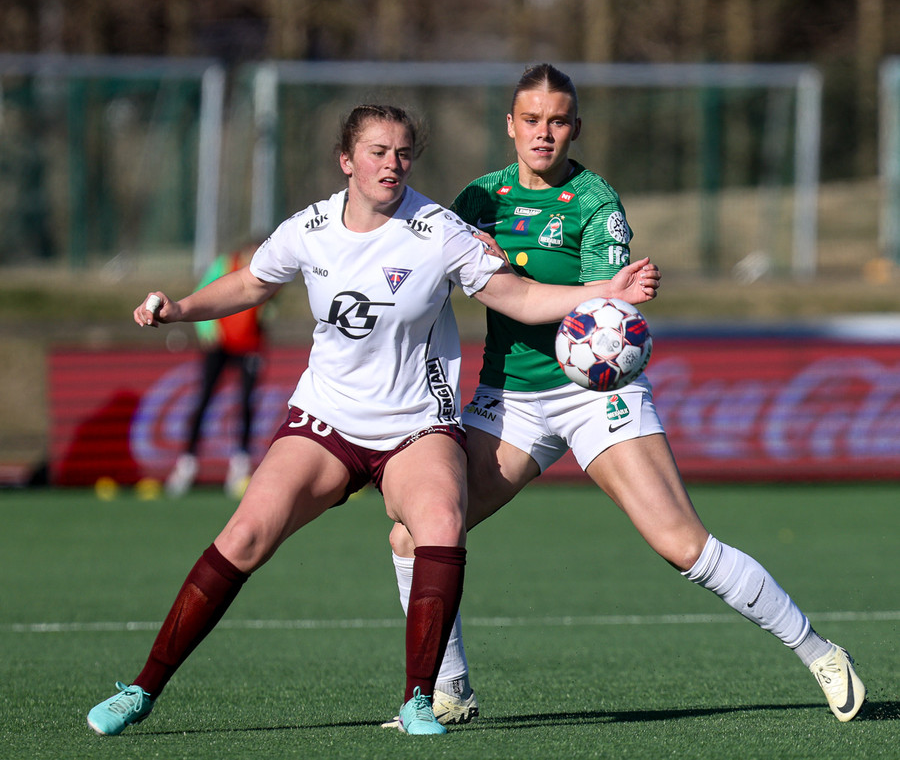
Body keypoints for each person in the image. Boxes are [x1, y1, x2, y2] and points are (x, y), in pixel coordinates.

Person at [86, 103, 659, 738]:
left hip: (418, 425)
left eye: (403, 153)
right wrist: (178, 309)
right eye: (378, 152)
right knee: (244, 535)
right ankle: (141, 689)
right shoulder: (309, 228)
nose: (393, 164)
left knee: (440, 523)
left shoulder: (439, 230)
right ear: (347, 160)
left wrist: (605, 293)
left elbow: (519, 297)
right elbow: (250, 285)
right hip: (326, 420)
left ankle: (421, 699)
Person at [383, 64, 866, 727]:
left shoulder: (595, 202)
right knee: (413, 534)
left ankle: (820, 652)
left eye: (557, 121)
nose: (544, 133)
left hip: (594, 394)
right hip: (509, 399)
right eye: (532, 120)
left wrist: (581, 288)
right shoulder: (478, 198)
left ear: (575, 128)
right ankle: (450, 688)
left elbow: (603, 317)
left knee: (682, 544)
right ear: (510, 125)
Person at [166, 241, 269, 499]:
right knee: (204, 399)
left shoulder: (270, 268)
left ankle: (240, 465)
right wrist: (208, 332)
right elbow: (204, 292)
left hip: (249, 344)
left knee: (246, 403)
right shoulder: (224, 265)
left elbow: (267, 307)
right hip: (219, 344)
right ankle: (187, 463)